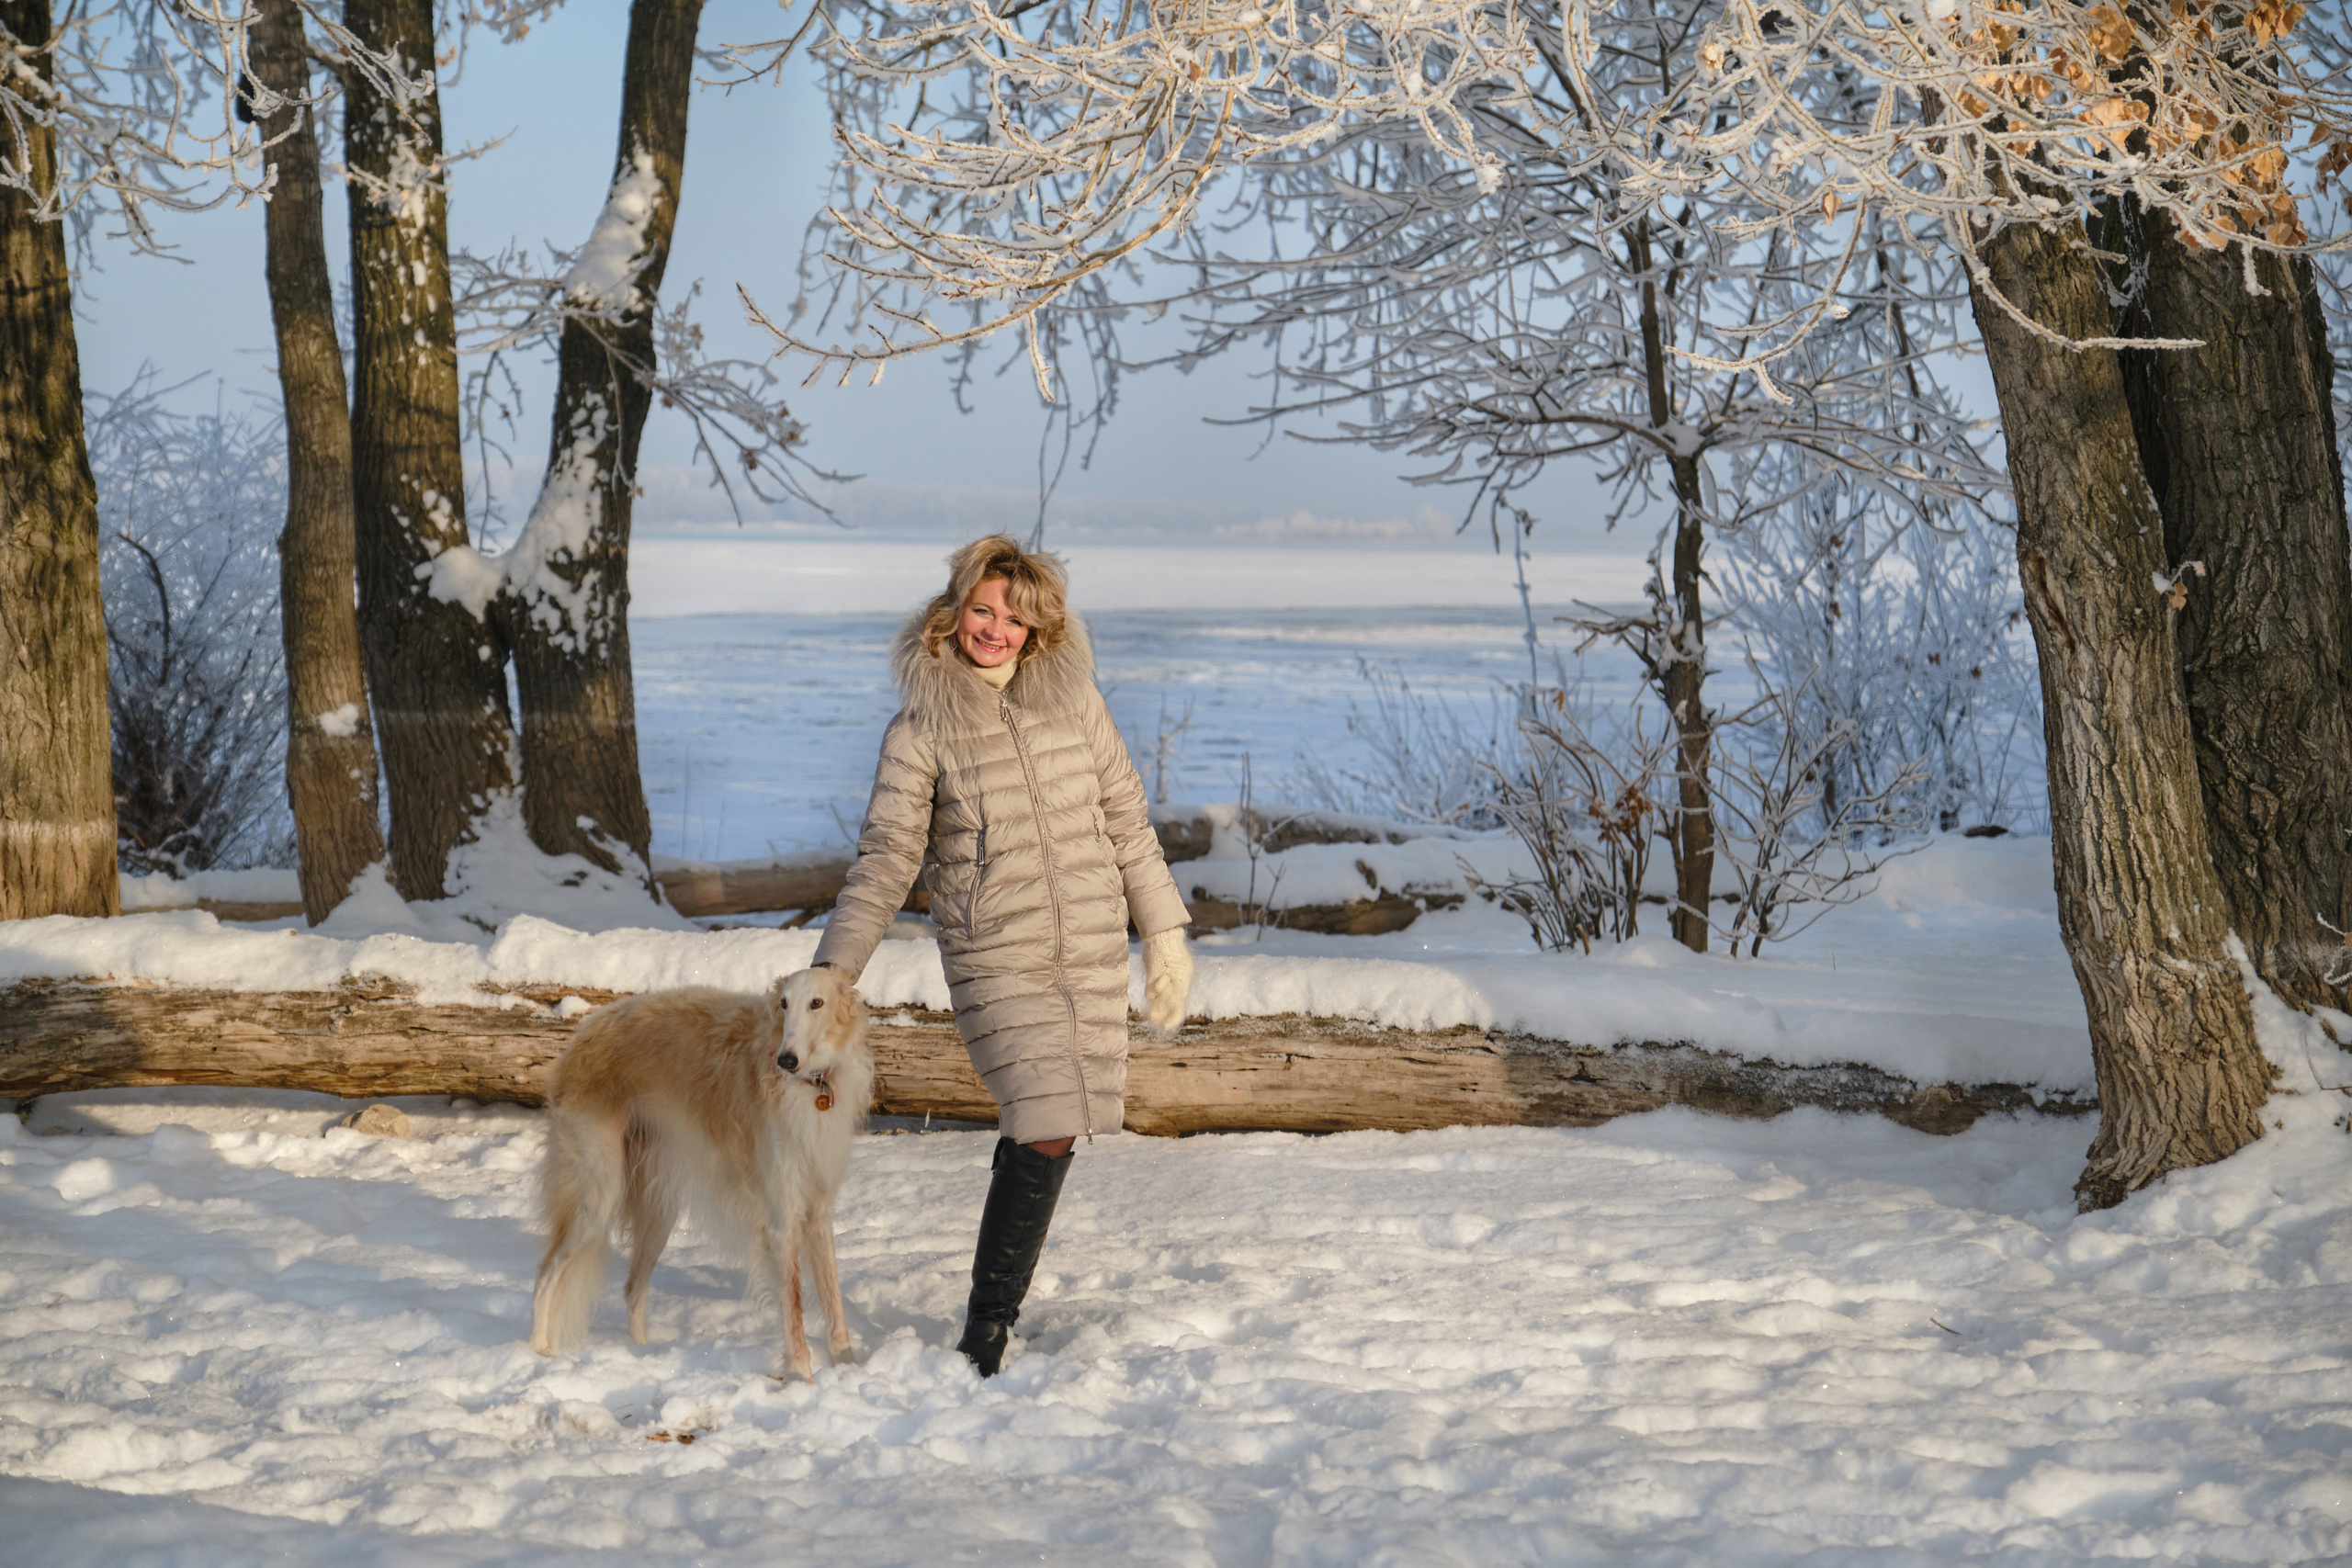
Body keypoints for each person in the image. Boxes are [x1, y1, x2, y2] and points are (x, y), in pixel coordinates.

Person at [810, 534, 1193, 1376]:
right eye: (983, 609)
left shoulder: (1075, 698)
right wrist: (832, 973)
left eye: (1014, 617)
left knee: (1046, 1132)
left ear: (1038, 628)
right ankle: (985, 1336)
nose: (996, 629)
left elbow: (1127, 817)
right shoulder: (921, 726)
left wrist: (1162, 932)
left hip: (1088, 942)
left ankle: (992, 1321)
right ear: (954, 611)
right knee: (1047, 1118)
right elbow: (886, 857)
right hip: (997, 949)